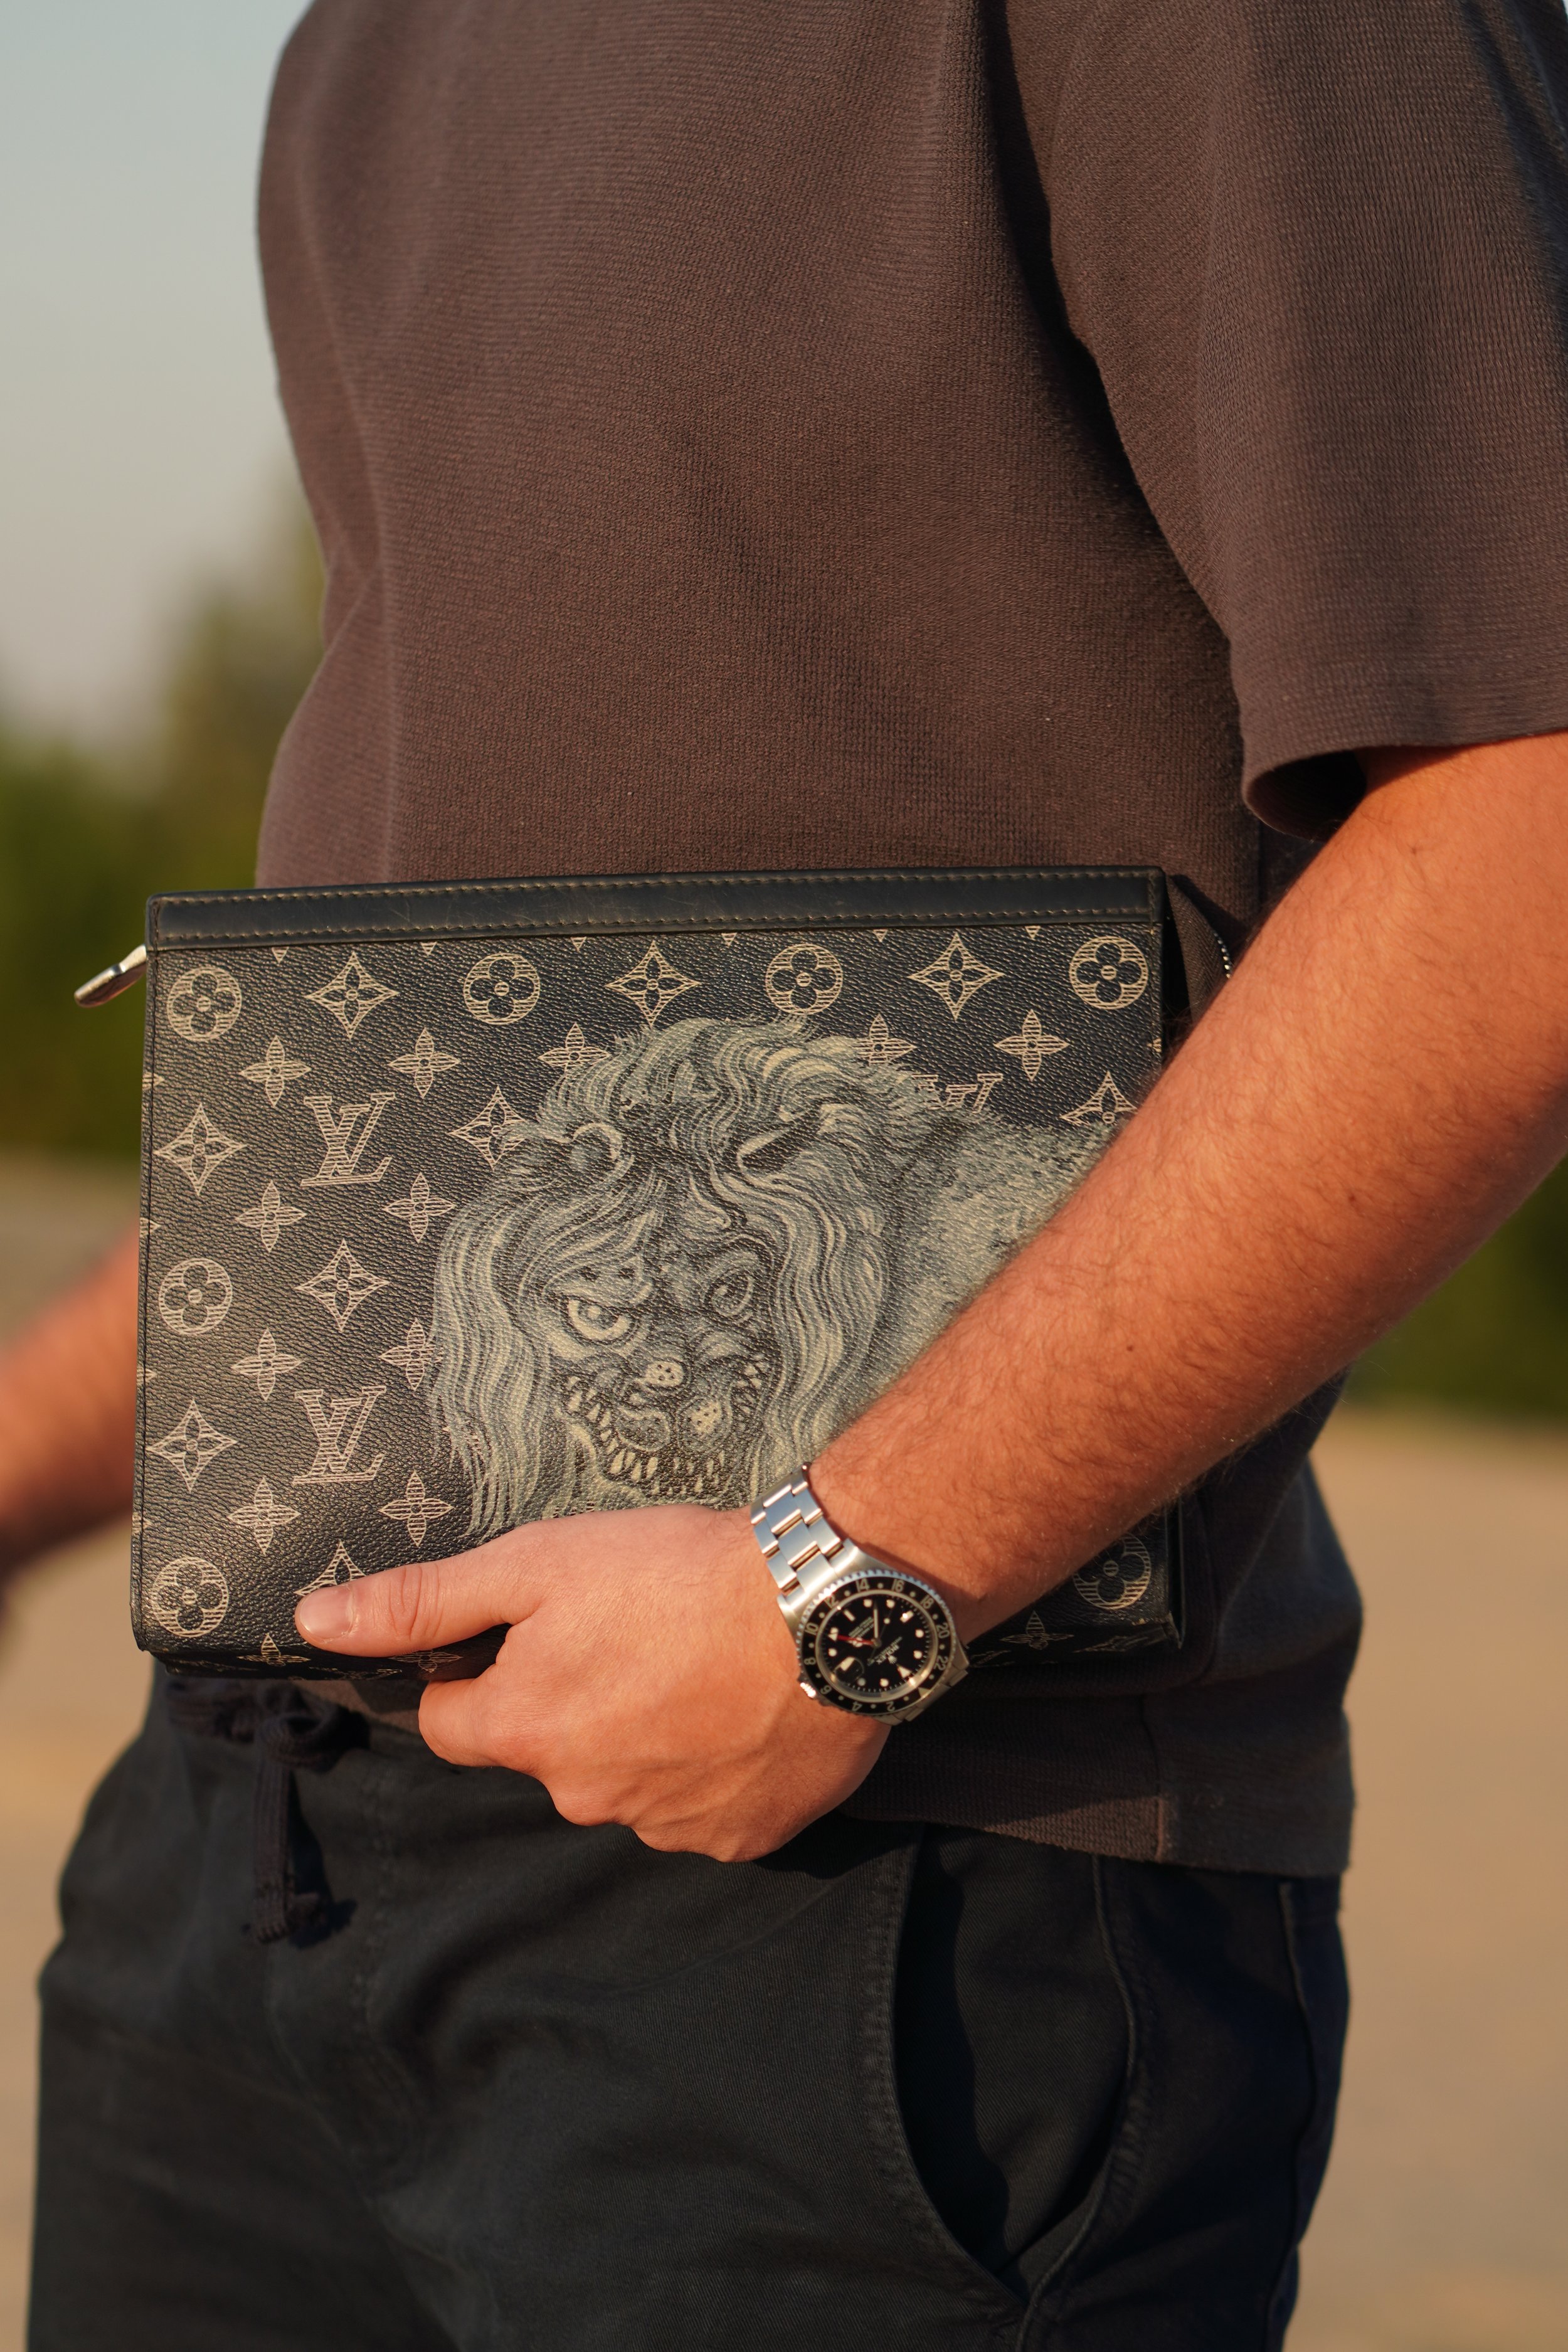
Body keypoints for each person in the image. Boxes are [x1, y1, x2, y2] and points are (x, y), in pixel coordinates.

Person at [14, 1, 1568, 2344]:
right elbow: (417, 1089)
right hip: (238, 1865)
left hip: (899, 1895)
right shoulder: (363, 46)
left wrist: (852, 1584)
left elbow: (1523, 835)